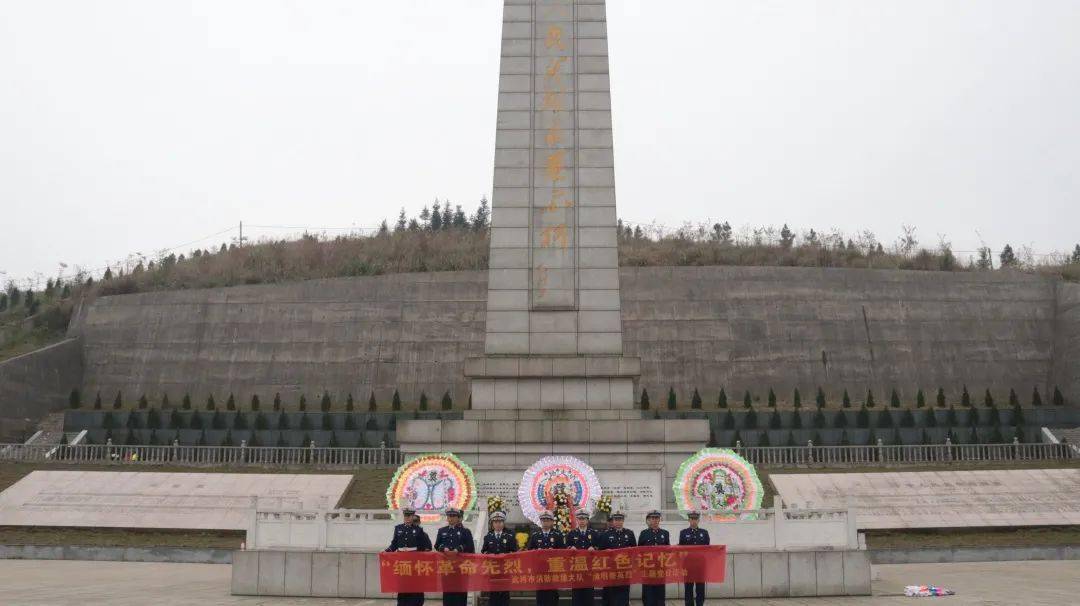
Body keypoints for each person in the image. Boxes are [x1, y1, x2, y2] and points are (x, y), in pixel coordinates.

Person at [385, 507, 432, 606]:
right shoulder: (398, 528)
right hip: (402, 563)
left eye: (409, 516)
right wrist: (386, 551)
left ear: (413, 516)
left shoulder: (418, 530)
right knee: (402, 586)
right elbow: (394, 544)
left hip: (414, 563)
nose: (407, 517)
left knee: (415, 587)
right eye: (406, 515)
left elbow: (423, 547)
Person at [434, 508, 475, 606]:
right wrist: (443, 548)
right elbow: (436, 545)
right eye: (449, 516)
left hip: (461, 568)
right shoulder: (442, 531)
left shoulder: (465, 531)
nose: (451, 518)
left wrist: (459, 549)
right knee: (448, 593)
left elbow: (470, 546)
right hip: (447, 567)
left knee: (460, 594)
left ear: (458, 518)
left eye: (453, 516)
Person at [526, 510, 565, 606]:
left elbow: (563, 552)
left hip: (553, 569)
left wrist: (554, 552)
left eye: (548, 520)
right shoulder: (535, 535)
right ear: (540, 521)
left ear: (552, 522)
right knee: (541, 593)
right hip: (540, 569)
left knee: (553, 594)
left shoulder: (557, 535)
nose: (545, 522)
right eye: (543, 520)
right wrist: (536, 552)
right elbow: (529, 552)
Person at [482, 510, 518, 606]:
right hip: (493, 569)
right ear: (492, 523)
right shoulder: (488, 537)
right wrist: (490, 554)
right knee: (493, 594)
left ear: (503, 523)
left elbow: (514, 552)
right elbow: (484, 551)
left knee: (504, 594)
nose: (498, 524)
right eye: (495, 522)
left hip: (505, 569)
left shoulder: (510, 536)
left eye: (500, 522)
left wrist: (506, 555)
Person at [564, 510, 598, 606]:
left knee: (589, 593)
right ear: (577, 520)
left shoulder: (594, 533)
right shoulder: (572, 533)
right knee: (576, 594)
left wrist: (594, 548)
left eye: (584, 519)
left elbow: (600, 546)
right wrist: (571, 548)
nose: (582, 521)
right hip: (576, 568)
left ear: (587, 520)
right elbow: (566, 547)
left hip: (590, 568)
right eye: (580, 519)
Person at [637, 511, 670, 606]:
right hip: (648, 568)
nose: (655, 520)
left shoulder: (665, 533)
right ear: (649, 520)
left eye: (657, 518)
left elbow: (668, 549)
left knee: (660, 592)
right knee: (648, 592)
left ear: (659, 519)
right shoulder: (644, 533)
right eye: (652, 518)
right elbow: (639, 551)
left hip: (660, 568)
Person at [603, 512, 635, 606]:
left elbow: (634, 549)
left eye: (620, 520)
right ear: (613, 521)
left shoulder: (629, 533)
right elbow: (600, 550)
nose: (618, 522)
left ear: (623, 521)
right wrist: (606, 551)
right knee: (610, 592)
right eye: (616, 520)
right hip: (610, 569)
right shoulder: (606, 534)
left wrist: (630, 550)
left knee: (624, 592)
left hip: (624, 569)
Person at [678, 512, 710, 606]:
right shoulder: (683, 533)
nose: (693, 521)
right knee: (688, 587)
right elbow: (681, 548)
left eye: (695, 519)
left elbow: (707, 548)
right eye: (691, 519)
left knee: (700, 587)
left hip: (700, 565)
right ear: (689, 520)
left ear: (698, 520)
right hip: (688, 565)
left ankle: (700, 604)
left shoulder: (704, 532)